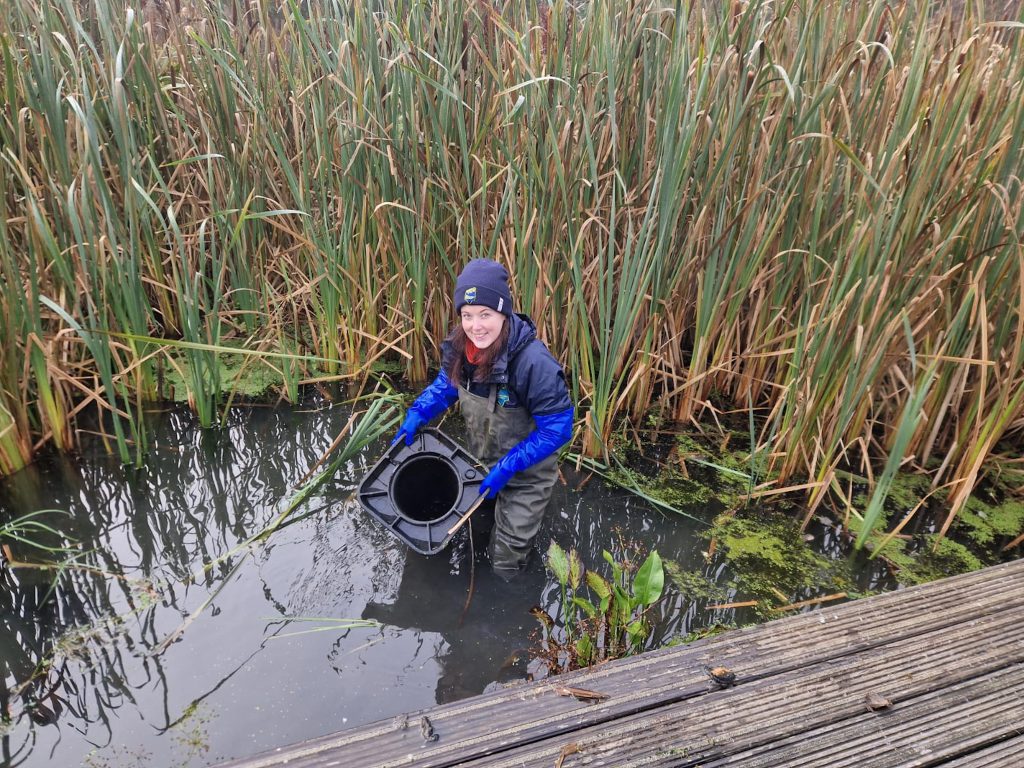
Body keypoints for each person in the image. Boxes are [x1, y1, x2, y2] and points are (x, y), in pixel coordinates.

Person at [393, 259, 573, 579]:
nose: (476, 326)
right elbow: (447, 386)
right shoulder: (462, 345)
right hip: (481, 463)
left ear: (504, 313)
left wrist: (509, 466)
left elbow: (558, 429)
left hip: (526, 475)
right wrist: (418, 412)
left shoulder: (533, 363)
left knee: (505, 562)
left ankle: (510, 612)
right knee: (474, 541)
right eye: (467, 315)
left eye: (486, 314)